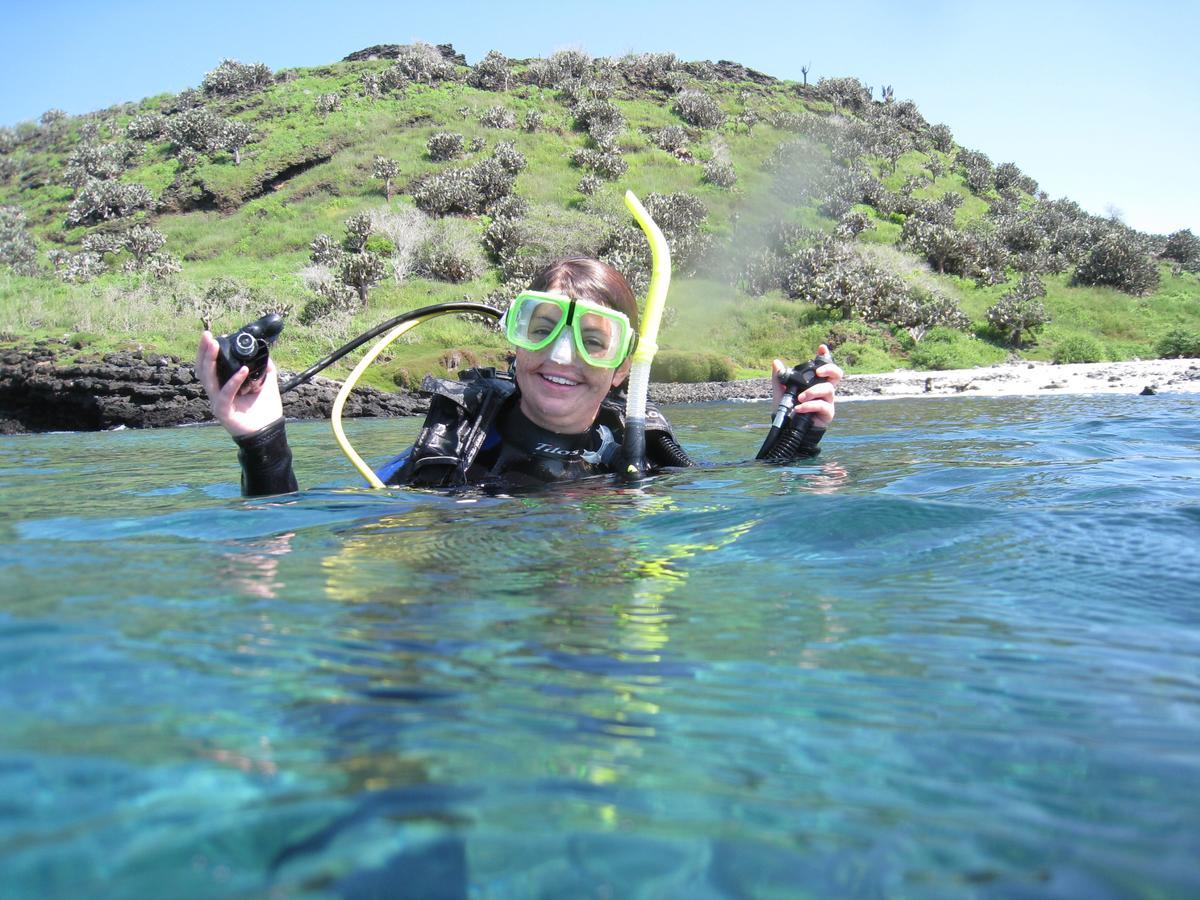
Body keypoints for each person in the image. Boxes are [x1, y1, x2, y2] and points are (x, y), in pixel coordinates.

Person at [196, 257, 842, 496]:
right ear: (512, 343)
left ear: (624, 368)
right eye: (540, 329)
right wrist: (262, 440)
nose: (561, 359)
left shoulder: (641, 458)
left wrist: (796, 431)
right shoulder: (452, 453)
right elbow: (291, 522)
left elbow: (755, 500)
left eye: (592, 342)